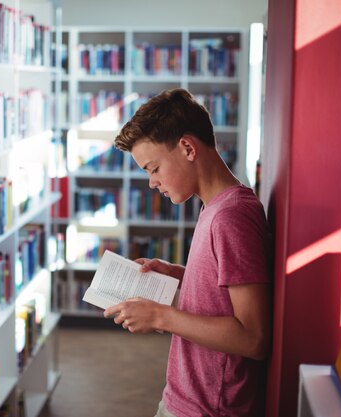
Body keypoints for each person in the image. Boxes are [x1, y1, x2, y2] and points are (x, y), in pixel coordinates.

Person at [105, 88, 271, 417]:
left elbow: (253, 338)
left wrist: (159, 315)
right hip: (185, 398)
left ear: (186, 148)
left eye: (153, 168)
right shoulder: (216, 206)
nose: (152, 183)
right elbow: (225, 287)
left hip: (208, 408)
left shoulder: (230, 217)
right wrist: (178, 273)